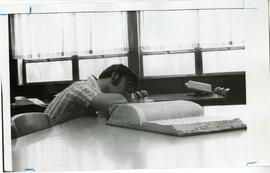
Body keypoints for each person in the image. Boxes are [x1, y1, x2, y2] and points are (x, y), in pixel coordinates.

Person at [44, 64, 138, 126]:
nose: (128, 91)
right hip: (45, 139)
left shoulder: (96, 91)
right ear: (115, 76)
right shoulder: (82, 87)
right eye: (127, 86)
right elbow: (104, 102)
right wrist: (130, 97)